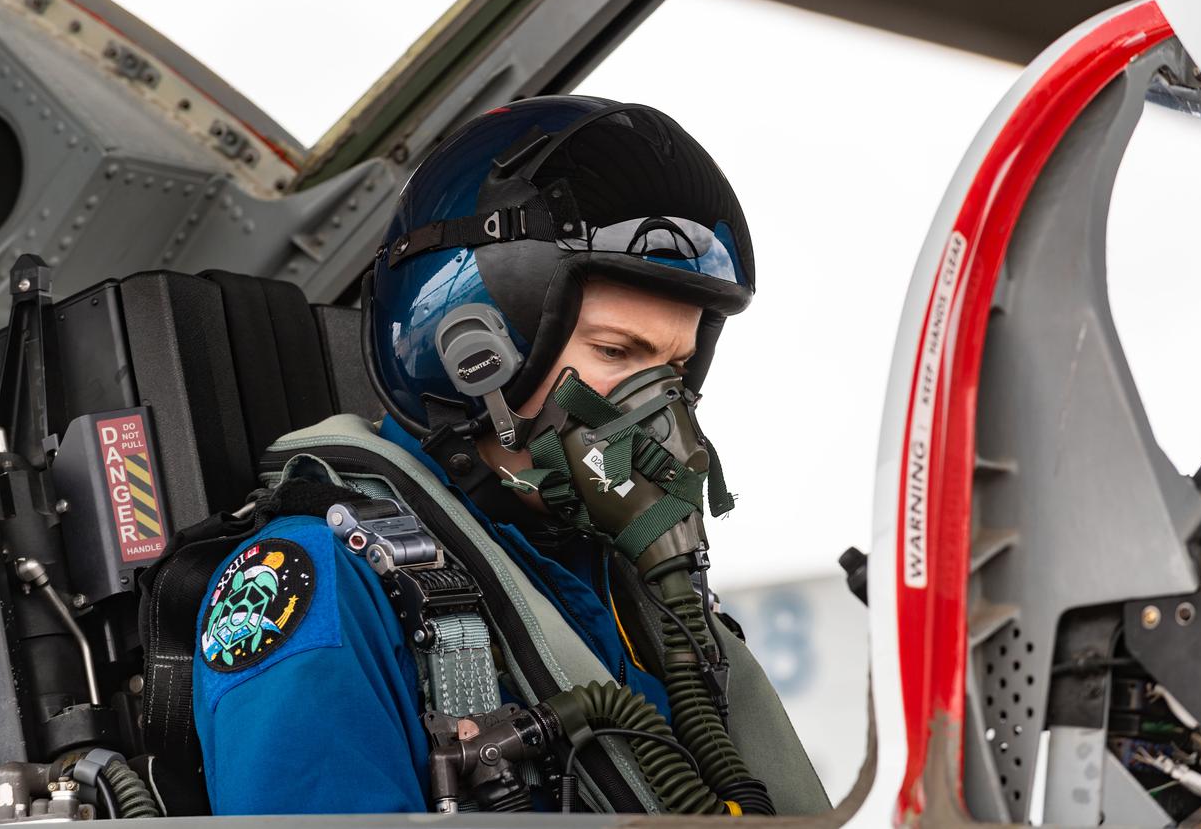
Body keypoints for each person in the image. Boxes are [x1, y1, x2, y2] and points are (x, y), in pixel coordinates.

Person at [191, 95, 828, 815]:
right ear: (477, 354)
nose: (660, 408)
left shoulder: (628, 593)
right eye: (618, 352)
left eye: (675, 369)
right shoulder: (325, 589)